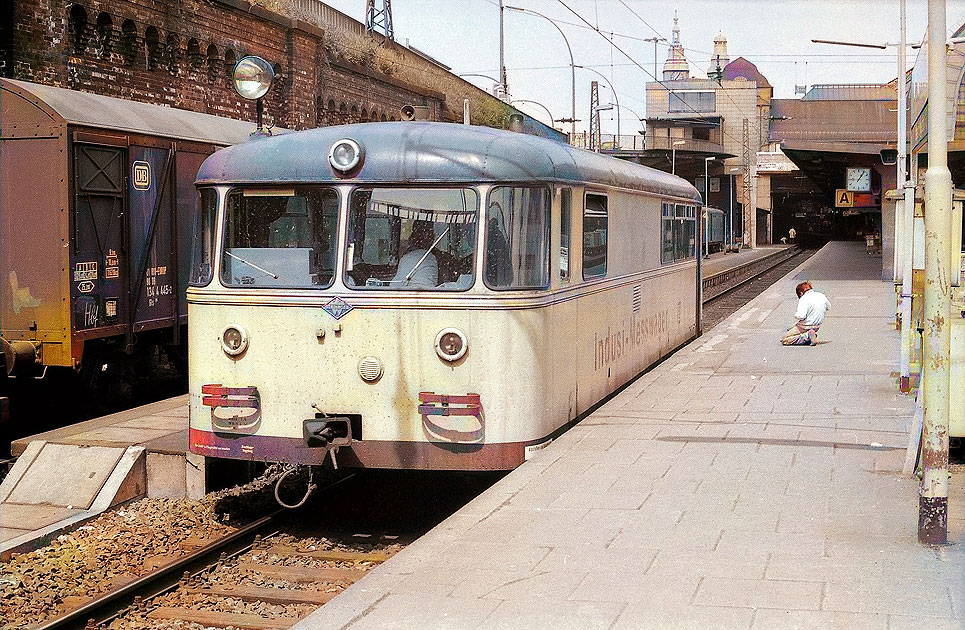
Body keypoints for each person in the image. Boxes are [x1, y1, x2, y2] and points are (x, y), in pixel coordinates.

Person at [781, 281, 830, 346]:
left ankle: (807, 336)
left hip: (805, 326)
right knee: (796, 332)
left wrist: (796, 315)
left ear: (801, 293)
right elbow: (828, 306)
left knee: (785, 339)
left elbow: (801, 316)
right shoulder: (821, 296)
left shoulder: (803, 299)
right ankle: (809, 336)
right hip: (817, 326)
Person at [392, 220, 438, 287]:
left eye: (428, 234)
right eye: (420, 234)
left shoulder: (408, 258)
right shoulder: (438, 258)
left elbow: (395, 286)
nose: (425, 237)